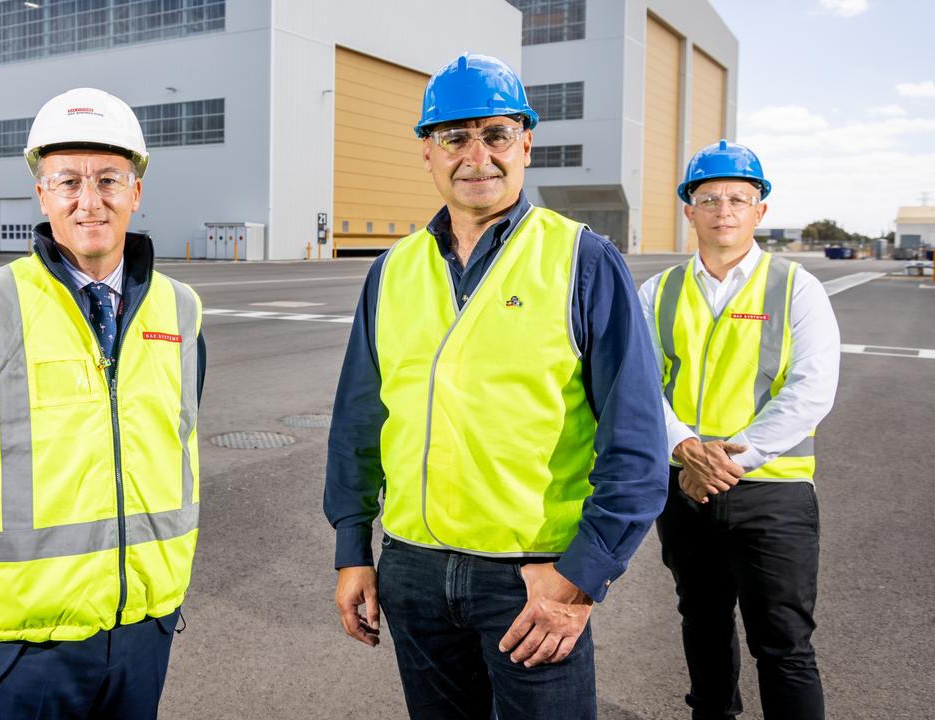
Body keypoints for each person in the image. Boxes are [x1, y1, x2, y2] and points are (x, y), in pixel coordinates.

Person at [323, 53, 668, 719]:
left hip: (531, 578)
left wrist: (581, 576)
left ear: (526, 143)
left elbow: (638, 445)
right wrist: (351, 550)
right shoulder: (392, 270)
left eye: (495, 134)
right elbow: (358, 422)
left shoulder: (584, 261)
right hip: (413, 571)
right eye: (453, 136)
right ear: (427, 152)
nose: (475, 155)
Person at [0, 88, 206, 719]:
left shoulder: (181, 310)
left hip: (143, 626)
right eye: (67, 180)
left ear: (136, 190)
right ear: (41, 194)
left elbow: (176, 433)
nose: (89, 200)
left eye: (108, 179)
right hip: (26, 637)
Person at [639, 140, 839, 720]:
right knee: (701, 629)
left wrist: (727, 464)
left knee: (783, 647)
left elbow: (811, 390)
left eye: (737, 198)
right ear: (689, 210)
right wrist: (685, 448)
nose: (723, 210)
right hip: (685, 491)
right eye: (709, 199)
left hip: (773, 491)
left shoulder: (797, 286)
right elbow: (640, 388)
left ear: (760, 210)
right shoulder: (658, 293)